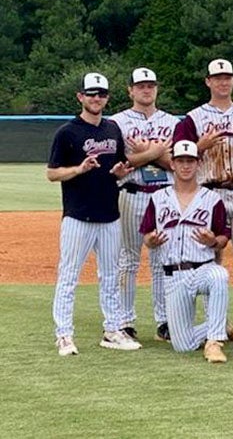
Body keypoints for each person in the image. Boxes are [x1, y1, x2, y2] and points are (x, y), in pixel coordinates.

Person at [48, 72, 139, 355]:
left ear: (107, 98)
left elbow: (118, 170)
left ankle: (112, 330)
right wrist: (79, 169)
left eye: (101, 94)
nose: (96, 98)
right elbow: (52, 174)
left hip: (110, 215)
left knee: (111, 276)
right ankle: (64, 334)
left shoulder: (112, 129)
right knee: (69, 276)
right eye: (91, 94)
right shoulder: (67, 132)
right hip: (78, 215)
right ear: (80, 97)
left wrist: (121, 174)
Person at [173, 59, 233, 338]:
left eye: (228, 77)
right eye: (218, 77)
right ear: (208, 82)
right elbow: (179, 158)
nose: (223, 82)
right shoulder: (193, 118)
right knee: (210, 260)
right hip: (209, 194)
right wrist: (200, 146)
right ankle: (217, 322)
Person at [140, 140, 233, 363]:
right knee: (183, 345)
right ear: (172, 164)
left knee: (219, 275)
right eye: (180, 161)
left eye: (190, 161)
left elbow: (223, 238)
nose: (185, 166)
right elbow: (146, 236)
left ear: (198, 164)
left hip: (203, 268)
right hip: (173, 275)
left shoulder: (212, 199)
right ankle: (221, 328)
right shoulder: (158, 198)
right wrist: (151, 241)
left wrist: (213, 241)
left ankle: (214, 341)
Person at [110, 67, 179, 343]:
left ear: (156, 88)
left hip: (164, 195)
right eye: (140, 86)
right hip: (131, 192)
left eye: (150, 85)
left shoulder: (174, 122)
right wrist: (157, 151)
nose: (146, 89)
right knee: (128, 259)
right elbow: (122, 164)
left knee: (162, 259)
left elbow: (175, 164)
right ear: (130, 90)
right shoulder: (117, 122)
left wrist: (145, 153)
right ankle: (125, 321)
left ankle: (164, 321)